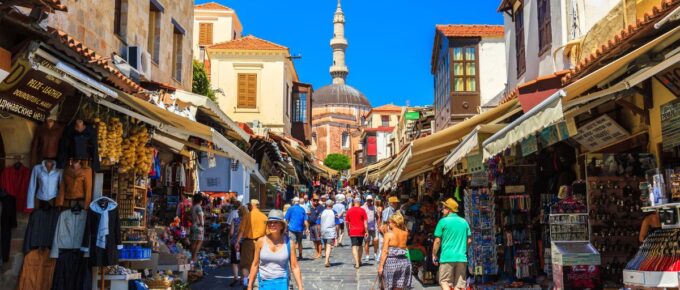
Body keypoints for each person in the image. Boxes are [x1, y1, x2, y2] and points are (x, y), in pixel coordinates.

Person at [247, 210, 304, 290]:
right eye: (270, 222)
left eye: (275, 222)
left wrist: (300, 287)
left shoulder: (289, 243)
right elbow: (255, 264)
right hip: (263, 283)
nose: (272, 225)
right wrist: (249, 286)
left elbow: (294, 266)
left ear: (282, 226)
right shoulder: (261, 241)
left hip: (283, 283)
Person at [432, 198, 471, 290]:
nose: (442, 210)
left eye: (444, 207)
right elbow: (469, 240)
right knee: (459, 285)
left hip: (447, 257)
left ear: (449, 209)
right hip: (461, 257)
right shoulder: (464, 222)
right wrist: (463, 250)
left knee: (444, 282)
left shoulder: (443, 222)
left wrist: (434, 254)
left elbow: (437, 241)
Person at [236, 199, 268, 288]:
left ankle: (246, 282)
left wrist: (237, 242)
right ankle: (257, 282)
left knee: (245, 264)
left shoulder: (247, 216)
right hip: (261, 243)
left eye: (249, 205)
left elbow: (241, 231)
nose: (248, 207)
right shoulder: (264, 217)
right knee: (258, 263)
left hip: (248, 242)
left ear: (252, 205)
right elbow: (268, 232)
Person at [378, 214, 413, 290]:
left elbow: (385, 251)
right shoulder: (405, 234)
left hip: (391, 262)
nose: (388, 224)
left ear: (394, 223)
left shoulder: (388, 235)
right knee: (399, 286)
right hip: (404, 262)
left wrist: (380, 266)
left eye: (389, 222)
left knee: (386, 286)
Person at [227, 198, 247, 286]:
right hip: (245, 243)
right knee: (243, 261)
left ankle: (235, 277)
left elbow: (231, 233)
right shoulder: (247, 221)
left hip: (235, 243)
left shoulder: (235, 220)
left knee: (235, 261)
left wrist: (232, 237)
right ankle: (243, 279)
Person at [346, 198, 368, 268]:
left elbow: (347, 222)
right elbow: (365, 222)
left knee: (354, 246)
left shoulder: (349, 210)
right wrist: (366, 231)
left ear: (353, 202)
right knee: (360, 245)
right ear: (359, 202)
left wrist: (348, 230)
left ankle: (357, 263)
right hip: (361, 230)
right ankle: (359, 260)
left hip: (353, 230)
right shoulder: (362, 210)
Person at [320, 199, 337, 267]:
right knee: (329, 245)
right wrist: (337, 233)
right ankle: (326, 260)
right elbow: (337, 224)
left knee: (325, 245)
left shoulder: (322, 212)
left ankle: (327, 260)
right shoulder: (334, 212)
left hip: (323, 230)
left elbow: (318, 223)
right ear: (332, 205)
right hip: (331, 230)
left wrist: (319, 231)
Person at [362, 195, 379, 262]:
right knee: (367, 242)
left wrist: (378, 224)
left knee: (376, 240)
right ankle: (367, 256)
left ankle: (375, 254)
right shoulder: (363, 207)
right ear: (366, 200)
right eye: (368, 200)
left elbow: (377, 217)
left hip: (374, 227)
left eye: (371, 200)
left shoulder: (374, 207)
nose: (369, 201)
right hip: (366, 227)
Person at [308, 194, 325, 259]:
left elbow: (322, 216)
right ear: (312, 200)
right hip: (311, 225)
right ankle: (317, 252)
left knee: (318, 240)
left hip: (317, 225)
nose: (316, 201)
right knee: (314, 240)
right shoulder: (310, 207)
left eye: (317, 200)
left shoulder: (320, 207)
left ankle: (320, 253)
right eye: (314, 200)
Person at [190, 194, 205, 264]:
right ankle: (194, 257)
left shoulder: (193, 207)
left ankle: (192, 257)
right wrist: (202, 224)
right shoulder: (198, 207)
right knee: (199, 241)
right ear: (200, 200)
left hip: (193, 225)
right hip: (198, 226)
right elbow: (200, 217)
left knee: (194, 242)